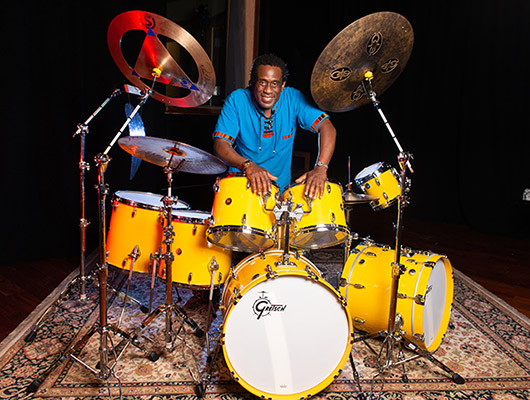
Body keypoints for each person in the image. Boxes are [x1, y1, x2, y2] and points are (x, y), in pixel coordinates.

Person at [212, 53, 337, 199]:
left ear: (282, 85)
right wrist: (247, 165)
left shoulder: (293, 99)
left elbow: (327, 127)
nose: (268, 90)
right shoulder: (237, 100)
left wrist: (321, 168)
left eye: (274, 84)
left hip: (279, 194)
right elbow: (220, 144)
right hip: (240, 188)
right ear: (252, 83)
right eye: (262, 82)